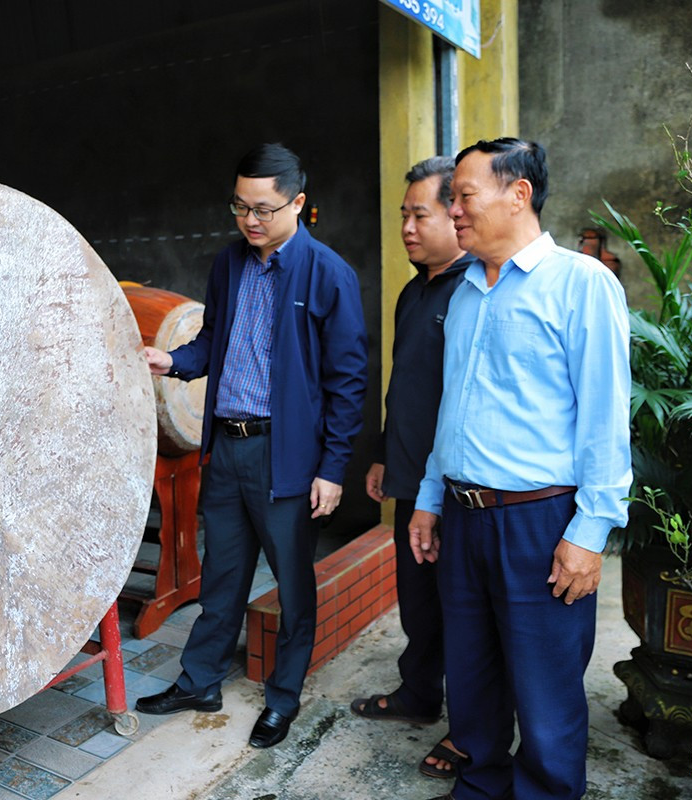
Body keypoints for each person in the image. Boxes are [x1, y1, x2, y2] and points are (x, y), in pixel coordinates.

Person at [409, 138, 631, 800]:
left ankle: (546, 792)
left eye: (464, 197)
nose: (454, 212)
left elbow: (604, 416)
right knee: (471, 675)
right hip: (464, 514)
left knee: (545, 685)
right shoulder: (469, 291)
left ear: (520, 194)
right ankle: (479, 785)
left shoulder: (581, 283)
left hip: (539, 519)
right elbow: (453, 408)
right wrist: (428, 496)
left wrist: (590, 531)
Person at [136, 142, 368, 749]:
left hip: (285, 456)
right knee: (223, 576)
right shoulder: (229, 264)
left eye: (264, 209)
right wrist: (173, 361)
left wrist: (332, 468)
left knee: (292, 584)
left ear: (298, 203)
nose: (251, 220)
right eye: (240, 207)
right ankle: (200, 680)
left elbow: (349, 381)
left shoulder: (328, 274)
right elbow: (214, 341)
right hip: (228, 449)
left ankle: (283, 697)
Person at [349, 156, 474, 781]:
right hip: (410, 480)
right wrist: (381, 452)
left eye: (419, 214)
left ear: (457, 214)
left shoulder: (476, 291)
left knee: (466, 614)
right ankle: (418, 694)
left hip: (460, 489)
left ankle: (472, 730)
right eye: (404, 215)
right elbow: (408, 388)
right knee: (419, 605)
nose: (407, 227)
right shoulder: (414, 290)